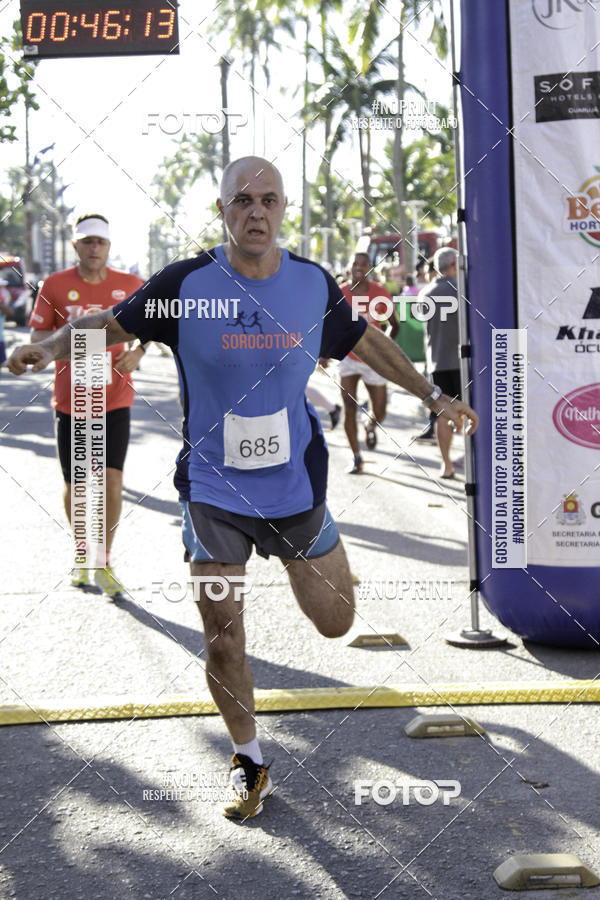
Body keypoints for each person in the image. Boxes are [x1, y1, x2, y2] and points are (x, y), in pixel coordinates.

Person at [7, 157, 478, 821]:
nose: (256, 212)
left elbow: (366, 342)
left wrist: (434, 396)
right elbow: (109, 325)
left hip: (293, 488)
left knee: (335, 619)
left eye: (268, 200)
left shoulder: (312, 285)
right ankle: (250, 761)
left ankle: (310, 556)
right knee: (223, 637)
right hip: (213, 490)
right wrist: (51, 344)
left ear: (283, 209)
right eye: (242, 201)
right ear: (222, 210)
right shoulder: (187, 283)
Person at [28, 214, 145, 596]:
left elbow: (153, 327)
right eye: (87, 242)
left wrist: (139, 351)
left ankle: (104, 558)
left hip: (115, 397)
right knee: (77, 484)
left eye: (100, 242)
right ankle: (82, 553)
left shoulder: (129, 285)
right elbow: (38, 334)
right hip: (72, 399)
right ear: (76, 245)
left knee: (112, 478)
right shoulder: (55, 285)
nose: (94, 248)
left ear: (109, 247)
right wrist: (74, 348)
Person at [334, 253, 399, 474]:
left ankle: (370, 425)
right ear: (350, 267)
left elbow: (394, 325)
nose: (358, 267)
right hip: (348, 357)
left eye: (363, 264)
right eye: (354, 263)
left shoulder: (379, 292)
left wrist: (385, 348)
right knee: (348, 406)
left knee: (379, 410)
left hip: (374, 358)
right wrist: (326, 352)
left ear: (370, 268)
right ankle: (356, 457)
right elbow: (329, 323)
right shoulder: (340, 293)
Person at [420, 247, 461, 478]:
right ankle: (474, 460)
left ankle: (446, 465)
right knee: (471, 412)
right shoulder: (462, 290)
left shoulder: (425, 293)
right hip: (462, 361)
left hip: (436, 362)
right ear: (454, 264)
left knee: (443, 415)